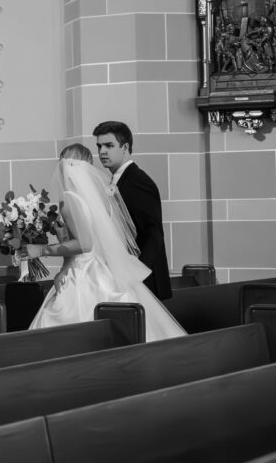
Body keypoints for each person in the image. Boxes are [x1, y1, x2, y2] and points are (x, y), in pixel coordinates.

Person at [27, 145, 185, 342]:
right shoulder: (98, 198)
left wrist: (42, 250)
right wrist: (63, 269)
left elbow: (84, 245)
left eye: (63, 162)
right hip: (101, 269)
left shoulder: (68, 199)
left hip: (85, 275)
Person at [93, 121, 172, 300]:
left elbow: (154, 235)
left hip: (142, 281)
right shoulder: (117, 181)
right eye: (99, 146)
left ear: (125, 147)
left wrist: (135, 275)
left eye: (109, 145)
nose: (102, 151)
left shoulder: (137, 181)